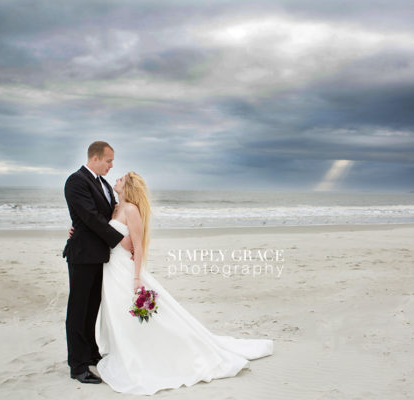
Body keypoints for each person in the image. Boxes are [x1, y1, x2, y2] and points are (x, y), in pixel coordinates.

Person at [95, 171, 274, 395]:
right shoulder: (115, 208)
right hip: (111, 268)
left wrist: (137, 277)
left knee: (135, 313)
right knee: (118, 312)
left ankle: (147, 351)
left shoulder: (131, 209)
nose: (116, 180)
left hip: (125, 270)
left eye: (120, 179)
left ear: (128, 186)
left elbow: (138, 247)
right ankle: (123, 348)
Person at [63, 141, 133, 384]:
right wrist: (120, 239)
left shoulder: (102, 183)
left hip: (100, 255)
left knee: (93, 307)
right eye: (109, 160)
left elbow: (108, 214)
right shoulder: (76, 181)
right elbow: (90, 217)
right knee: (78, 310)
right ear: (95, 158)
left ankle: (91, 352)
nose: (112, 166)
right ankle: (78, 365)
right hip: (82, 255)